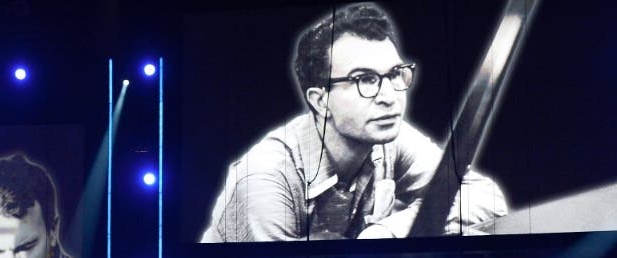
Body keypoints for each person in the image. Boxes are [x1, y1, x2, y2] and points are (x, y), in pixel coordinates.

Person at [201, 2, 507, 242]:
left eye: (394, 74)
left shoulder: (388, 134)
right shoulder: (265, 178)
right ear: (320, 100)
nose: (389, 96)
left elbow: (484, 196)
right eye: (365, 79)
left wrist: (386, 233)